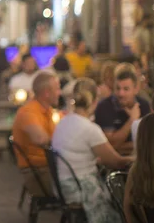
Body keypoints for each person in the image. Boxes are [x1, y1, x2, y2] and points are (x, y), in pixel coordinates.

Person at [52, 77, 130, 222]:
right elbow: (116, 162)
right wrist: (136, 158)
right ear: (95, 101)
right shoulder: (90, 129)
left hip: (62, 186)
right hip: (78, 189)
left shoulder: (63, 122)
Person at [11, 72, 62, 198]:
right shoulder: (28, 112)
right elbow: (42, 139)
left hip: (49, 168)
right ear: (46, 93)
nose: (60, 93)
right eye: (57, 88)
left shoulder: (48, 110)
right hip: (39, 174)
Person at [94, 64, 150, 155]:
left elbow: (149, 142)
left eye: (126, 89)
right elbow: (111, 145)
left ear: (136, 89)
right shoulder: (104, 106)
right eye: (118, 88)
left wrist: (121, 146)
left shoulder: (144, 105)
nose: (121, 94)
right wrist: (132, 120)